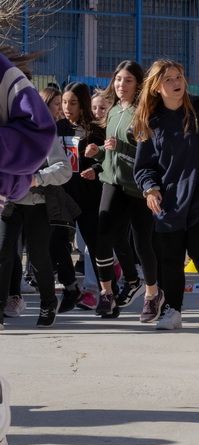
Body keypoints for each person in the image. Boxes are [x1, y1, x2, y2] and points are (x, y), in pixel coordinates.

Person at [133, 60, 199, 329]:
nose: (176, 83)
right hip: (169, 199)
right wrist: (150, 189)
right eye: (169, 80)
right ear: (156, 88)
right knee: (170, 258)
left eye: (179, 77)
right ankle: (172, 310)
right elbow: (144, 166)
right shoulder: (152, 121)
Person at [84, 61, 158, 318]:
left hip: (137, 188)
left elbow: (148, 154)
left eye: (127, 80)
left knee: (141, 243)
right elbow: (111, 149)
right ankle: (107, 294)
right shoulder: (113, 110)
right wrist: (98, 157)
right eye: (118, 79)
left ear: (138, 84)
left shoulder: (143, 112)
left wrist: (120, 148)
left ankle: (151, 294)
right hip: (111, 182)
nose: (121, 85)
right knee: (102, 237)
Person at [0, 48, 59, 332]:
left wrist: (31, 179)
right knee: (5, 254)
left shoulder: (48, 127)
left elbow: (61, 167)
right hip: (13, 202)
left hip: (37, 202)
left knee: (37, 257)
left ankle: (49, 303)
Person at [49, 82, 105, 313]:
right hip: (63, 196)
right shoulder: (57, 127)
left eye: (73, 103)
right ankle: (71, 287)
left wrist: (97, 169)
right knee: (57, 242)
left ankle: (105, 292)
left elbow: (108, 160)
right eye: (64, 102)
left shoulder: (95, 129)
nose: (67, 107)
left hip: (89, 196)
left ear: (82, 104)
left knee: (94, 245)